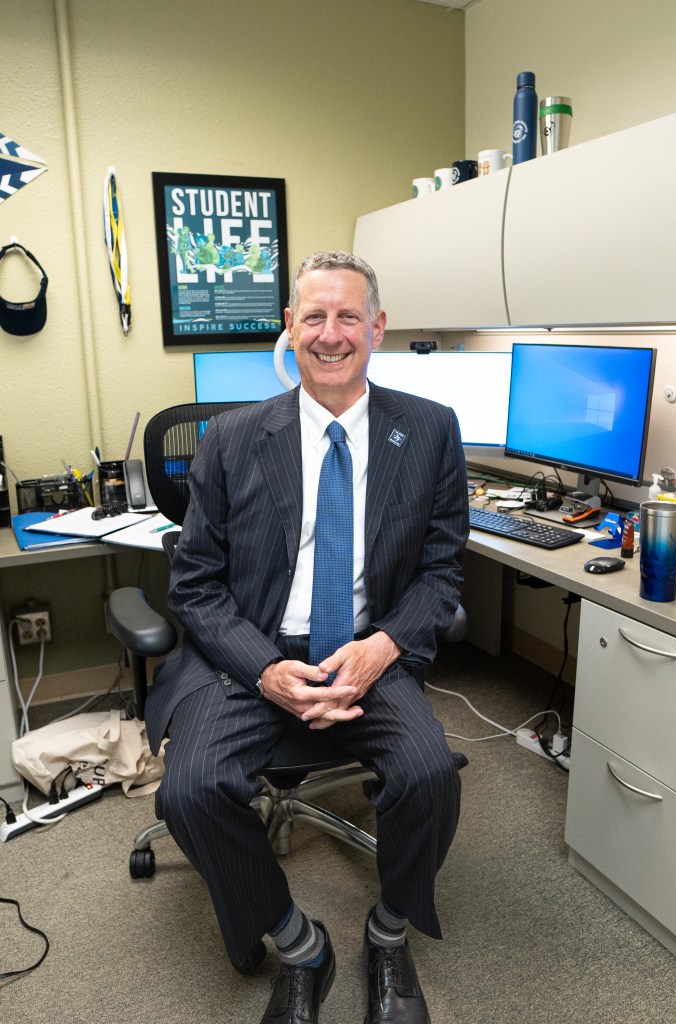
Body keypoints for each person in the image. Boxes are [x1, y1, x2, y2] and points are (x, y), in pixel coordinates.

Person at [145, 250, 470, 1024]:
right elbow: (194, 584)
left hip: (368, 649)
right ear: (289, 329)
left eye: (348, 316)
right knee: (188, 792)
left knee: (431, 775)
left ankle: (388, 932)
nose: (330, 334)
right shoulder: (229, 438)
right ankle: (299, 944)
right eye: (314, 317)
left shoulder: (428, 430)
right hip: (252, 652)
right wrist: (265, 671)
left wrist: (383, 648)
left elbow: (440, 570)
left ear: (377, 329)